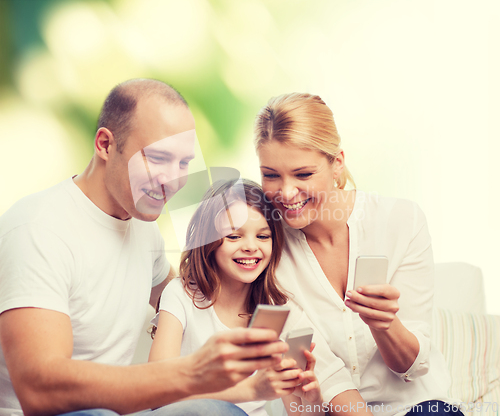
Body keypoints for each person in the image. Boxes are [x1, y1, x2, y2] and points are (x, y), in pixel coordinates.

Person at [0, 79, 287, 416]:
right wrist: (194, 373)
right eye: (158, 158)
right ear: (106, 145)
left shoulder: (141, 228)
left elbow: (184, 293)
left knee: (218, 411)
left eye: (183, 164)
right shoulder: (39, 229)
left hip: (117, 413)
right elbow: (39, 390)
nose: (172, 179)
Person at [253, 93, 461, 416]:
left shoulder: (401, 222)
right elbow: (323, 373)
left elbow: (413, 366)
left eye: (303, 174)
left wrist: (384, 325)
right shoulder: (267, 252)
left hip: (419, 408)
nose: (287, 192)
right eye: (271, 175)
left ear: (337, 163)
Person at [149, 179, 325, 416]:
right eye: (234, 237)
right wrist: (249, 389)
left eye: (263, 237)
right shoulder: (181, 295)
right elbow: (157, 393)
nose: (251, 247)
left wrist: (311, 401)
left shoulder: (275, 310)